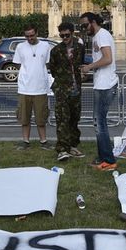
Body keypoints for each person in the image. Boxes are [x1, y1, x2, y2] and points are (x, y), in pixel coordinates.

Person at [79, 12, 118, 171]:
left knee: (99, 123)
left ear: (93, 22)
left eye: (84, 25)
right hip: (102, 84)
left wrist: (89, 66)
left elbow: (108, 59)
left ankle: (109, 160)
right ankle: (104, 157)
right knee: (99, 122)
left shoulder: (101, 35)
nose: (83, 29)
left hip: (105, 85)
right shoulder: (98, 37)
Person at [47, 22, 85, 161]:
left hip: (76, 89)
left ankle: (73, 145)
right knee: (62, 119)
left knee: (74, 119)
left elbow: (80, 64)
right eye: (62, 36)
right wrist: (63, 80)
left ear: (72, 33)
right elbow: (52, 69)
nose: (64, 38)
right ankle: (62, 149)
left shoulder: (80, 48)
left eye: (67, 35)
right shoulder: (56, 50)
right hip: (62, 90)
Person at [13, 24, 52, 149]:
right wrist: (27, 74)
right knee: (24, 118)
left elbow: (48, 64)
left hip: (40, 88)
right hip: (24, 88)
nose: (30, 38)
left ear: (37, 33)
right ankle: (26, 141)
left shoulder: (45, 46)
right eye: (27, 36)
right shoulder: (20, 47)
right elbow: (19, 64)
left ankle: (43, 141)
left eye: (32, 35)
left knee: (41, 118)